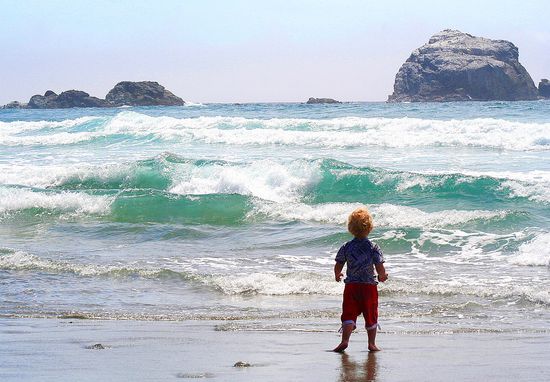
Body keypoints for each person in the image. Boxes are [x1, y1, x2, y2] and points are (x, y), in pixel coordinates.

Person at [333, 207, 388, 352]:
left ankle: (345, 340)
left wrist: (337, 274)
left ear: (350, 228)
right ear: (369, 227)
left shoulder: (346, 247)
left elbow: (338, 264)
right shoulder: (373, 247)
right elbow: (379, 266)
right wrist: (382, 276)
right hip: (369, 287)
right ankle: (371, 343)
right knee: (370, 314)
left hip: (351, 286)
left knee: (349, 313)